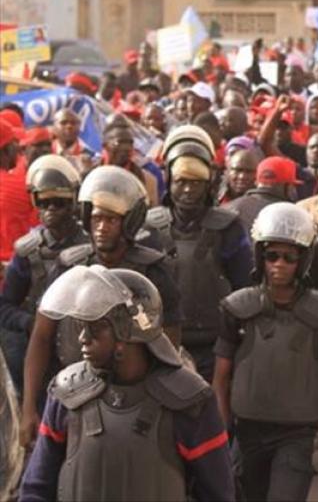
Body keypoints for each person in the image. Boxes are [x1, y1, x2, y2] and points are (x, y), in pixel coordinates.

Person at [20, 266, 233, 501]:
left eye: (96, 328)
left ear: (127, 333)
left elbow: (218, 494)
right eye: (82, 326)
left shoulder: (189, 403)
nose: (83, 338)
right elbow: (35, 489)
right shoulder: (67, 394)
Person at [20, 165, 182, 449]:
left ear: (128, 223)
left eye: (110, 220)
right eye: (96, 219)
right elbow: (42, 336)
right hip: (73, 390)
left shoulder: (153, 271)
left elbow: (170, 344)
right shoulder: (70, 266)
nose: (101, 227)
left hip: (135, 399)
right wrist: (29, 407)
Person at [212, 203, 318, 501]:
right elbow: (220, 380)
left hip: (297, 435)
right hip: (247, 434)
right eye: (271, 255)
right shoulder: (237, 309)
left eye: (289, 257)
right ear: (260, 256)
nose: (279, 264)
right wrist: (219, 442)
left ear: (303, 260)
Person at [144, 125, 253, 380]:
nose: (188, 191)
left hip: (214, 344)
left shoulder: (228, 227)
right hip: (159, 342)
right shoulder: (149, 227)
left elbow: (244, 285)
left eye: (196, 183)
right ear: (169, 180)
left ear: (209, 184)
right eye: (181, 181)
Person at [0, 156, 88, 395]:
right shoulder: (27, 252)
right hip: (42, 356)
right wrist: (30, 323)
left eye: (59, 202)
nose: (51, 209)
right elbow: (5, 306)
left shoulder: (93, 245)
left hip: (88, 354)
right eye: (44, 201)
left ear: (73, 201)